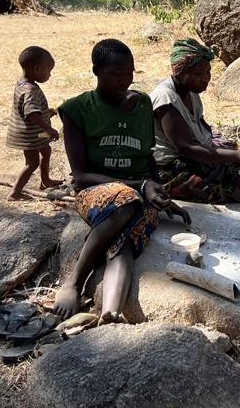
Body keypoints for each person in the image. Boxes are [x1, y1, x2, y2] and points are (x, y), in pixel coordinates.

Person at [53, 39, 190, 321]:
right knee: (126, 204)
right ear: (96, 71)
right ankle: (75, 283)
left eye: (129, 73)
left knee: (127, 238)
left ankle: (111, 312)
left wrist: (162, 195)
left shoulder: (142, 104)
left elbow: (147, 157)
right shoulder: (77, 110)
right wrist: (140, 186)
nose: (124, 80)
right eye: (116, 74)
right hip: (96, 190)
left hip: (141, 193)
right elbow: (80, 176)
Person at [151, 38, 240, 202]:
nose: (206, 78)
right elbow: (186, 147)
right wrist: (237, 156)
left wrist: (225, 150)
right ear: (179, 71)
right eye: (198, 74)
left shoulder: (191, 92)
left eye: (208, 72)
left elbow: (201, 124)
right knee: (229, 184)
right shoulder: (165, 98)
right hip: (171, 168)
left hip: (192, 158)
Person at [5, 46, 62, 201]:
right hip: (30, 135)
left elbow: (28, 109)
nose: (50, 74)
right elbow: (31, 114)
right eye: (49, 70)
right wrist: (49, 129)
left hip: (33, 132)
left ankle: (45, 181)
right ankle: (15, 193)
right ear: (37, 69)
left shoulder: (22, 83)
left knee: (46, 150)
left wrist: (47, 112)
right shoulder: (30, 90)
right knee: (31, 163)